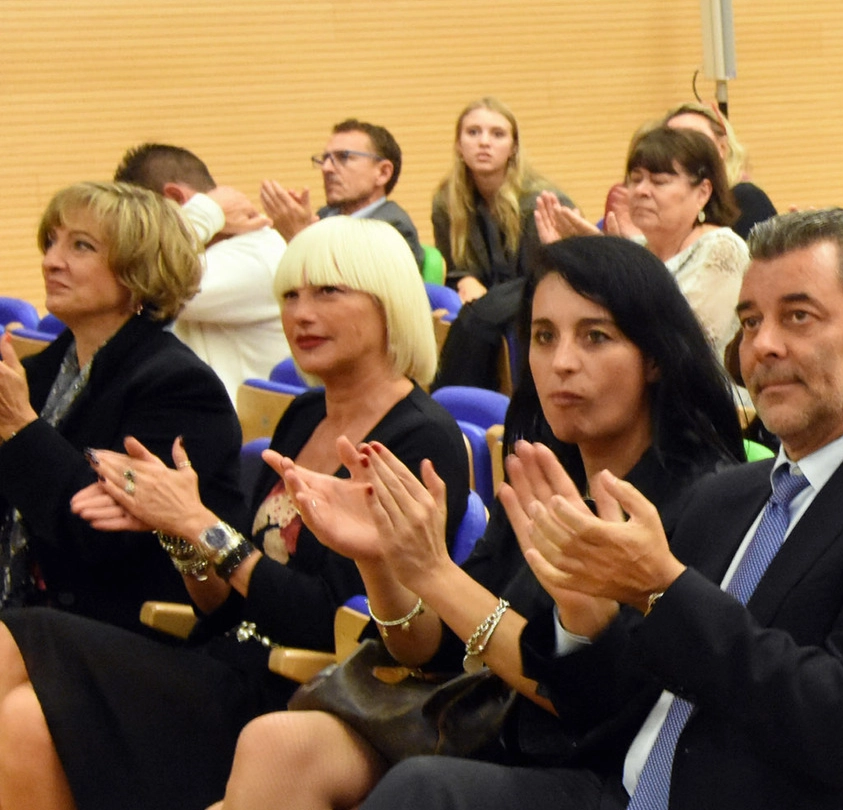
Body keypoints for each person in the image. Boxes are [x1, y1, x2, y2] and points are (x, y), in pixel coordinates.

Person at [358, 209, 843, 810]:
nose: (763, 347)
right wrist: (580, 619)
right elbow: (600, 710)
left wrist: (663, 588)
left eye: (799, 317)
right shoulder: (731, 498)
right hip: (628, 792)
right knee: (425, 791)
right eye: (751, 321)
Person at [217, 235, 745, 810]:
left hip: (602, 765)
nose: (562, 362)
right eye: (544, 337)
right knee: (278, 743)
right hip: (487, 726)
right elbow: (429, 651)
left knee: (421, 788)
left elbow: (595, 701)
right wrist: (382, 562)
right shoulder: (542, 471)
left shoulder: (705, 496)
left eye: (596, 337)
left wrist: (436, 574)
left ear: (655, 356)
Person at [0, 216, 470, 810]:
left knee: (24, 636)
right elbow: (223, 603)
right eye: (291, 296)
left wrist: (201, 524)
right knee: (23, 717)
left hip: (304, 693)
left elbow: (334, 622)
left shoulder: (419, 438)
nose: (301, 314)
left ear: (389, 305)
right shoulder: (305, 415)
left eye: (328, 292)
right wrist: (174, 529)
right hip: (226, 661)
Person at [0, 181, 244, 633]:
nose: (51, 260)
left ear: (137, 271)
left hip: (120, 630)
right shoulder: (39, 373)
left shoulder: (178, 387)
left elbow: (98, 543)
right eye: (52, 242)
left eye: (81, 246)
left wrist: (19, 426)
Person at [537, 127, 748, 360]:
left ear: (702, 192)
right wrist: (574, 265)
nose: (641, 191)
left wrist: (615, 270)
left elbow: (682, 343)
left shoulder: (722, 249)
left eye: (659, 181)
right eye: (635, 179)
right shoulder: (634, 248)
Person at [114, 143, 291, 403]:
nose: (140, 240)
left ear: (176, 199)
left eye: (145, 227)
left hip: (246, 437)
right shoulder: (202, 255)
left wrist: (203, 214)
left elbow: (142, 281)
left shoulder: (258, 253)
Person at [433, 98, 571, 305]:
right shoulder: (446, 201)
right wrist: (465, 279)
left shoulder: (542, 202)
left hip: (537, 302)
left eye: (497, 134)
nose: (484, 142)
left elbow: (549, 277)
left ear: (514, 148)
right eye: (473, 132)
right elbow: (452, 271)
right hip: (478, 306)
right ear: (459, 145)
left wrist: (491, 301)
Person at [260, 119, 426, 270]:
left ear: (383, 173)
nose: (326, 168)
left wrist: (300, 237)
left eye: (343, 157)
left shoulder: (393, 228)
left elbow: (358, 292)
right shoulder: (324, 216)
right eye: (325, 158)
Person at [661, 102, 776, 238]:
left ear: (722, 147)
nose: (684, 148)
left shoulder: (745, 199)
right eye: (672, 142)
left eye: (695, 138)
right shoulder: (664, 209)